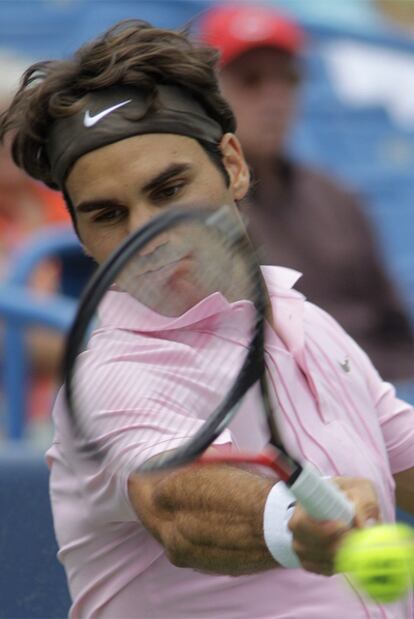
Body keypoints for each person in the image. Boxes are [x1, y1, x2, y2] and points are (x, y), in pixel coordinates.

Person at [1, 19, 414, 619]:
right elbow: (177, 506)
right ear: (81, 233)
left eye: (168, 190)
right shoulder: (112, 378)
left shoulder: (312, 329)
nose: (147, 235)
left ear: (233, 165)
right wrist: (291, 523)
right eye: (108, 214)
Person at [198, 3, 414, 384]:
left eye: (288, 78)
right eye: (250, 79)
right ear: (210, 93)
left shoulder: (338, 196)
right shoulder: (196, 209)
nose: (274, 97)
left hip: (383, 392)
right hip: (288, 408)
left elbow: (395, 329)